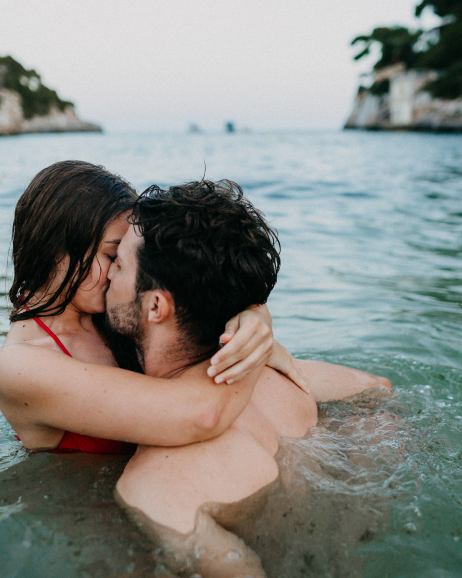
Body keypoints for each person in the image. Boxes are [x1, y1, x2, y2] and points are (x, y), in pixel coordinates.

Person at [107, 180, 391, 577]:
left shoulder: (157, 485)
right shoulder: (284, 376)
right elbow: (379, 390)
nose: (106, 276)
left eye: (118, 263)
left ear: (155, 305)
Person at [0, 161, 294, 454]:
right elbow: (199, 415)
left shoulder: (106, 315)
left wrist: (253, 312)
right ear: (55, 249)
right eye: (112, 256)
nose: (116, 273)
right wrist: (250, 355)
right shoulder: (19, 367)